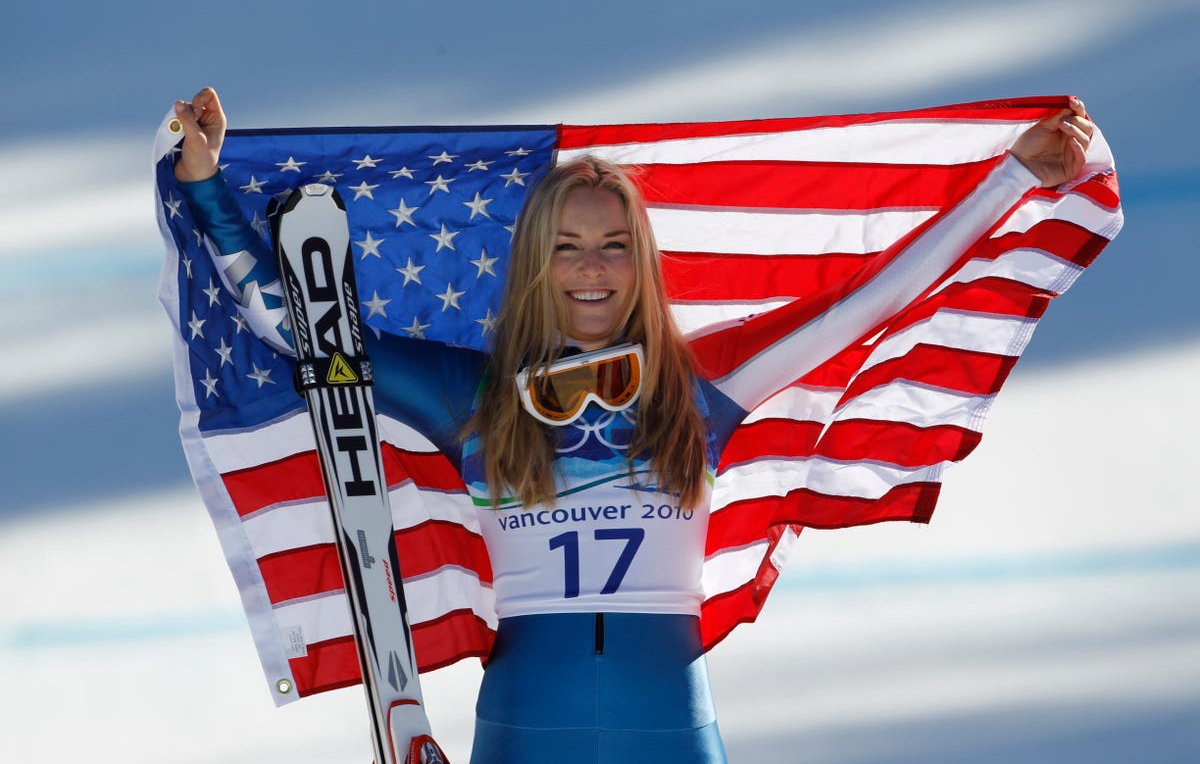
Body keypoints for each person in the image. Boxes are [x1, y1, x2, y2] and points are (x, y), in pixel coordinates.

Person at [171, 87, 1094, 763]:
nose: (592, 270)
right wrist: (209, 189)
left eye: (614, 246)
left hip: (672, 729)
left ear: (640, 262)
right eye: (567, 247)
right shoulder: (474, 398)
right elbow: (310, 336)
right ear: (537, 262)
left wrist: (1013, 175)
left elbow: (876, 299)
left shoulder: (704, 386)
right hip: (527, 726)